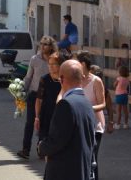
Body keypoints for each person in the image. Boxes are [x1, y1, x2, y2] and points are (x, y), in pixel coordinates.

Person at [37, 60, 95, 180]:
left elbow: (56, 140)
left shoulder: (66, 104)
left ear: (62, 79)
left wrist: (41, 146)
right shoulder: (87, 103)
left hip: (65, 172)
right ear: (82, 78)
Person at [18, 36, 56, 160]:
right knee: (30, 122)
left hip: (49, 96)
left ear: (51, 46)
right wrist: (22, 91)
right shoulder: (34, 59)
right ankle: (26, 149)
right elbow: (29, 76)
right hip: (34, 94)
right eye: (41, 44)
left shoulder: (54, 59)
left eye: (45, 44)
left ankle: (42, 149)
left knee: (45, 123)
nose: (43, 46)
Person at [75, 51, 106, 179]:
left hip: (94, 126)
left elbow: (102, 104)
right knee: (79, 158)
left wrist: (87, 108)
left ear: (82, 64)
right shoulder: (74, 80)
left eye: (75, 63)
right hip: (77, 125)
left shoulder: (96, 81)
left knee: (91, 158)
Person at [35, 50, 69, 156]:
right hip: (47, 112)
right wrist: (37, 117)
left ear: (61, 65)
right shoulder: (44, 79)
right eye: (49, 64)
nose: (51, 67)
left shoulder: (66, 79)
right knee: (44, 143)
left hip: (61, 112)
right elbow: (39, 99)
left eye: (54, 64)